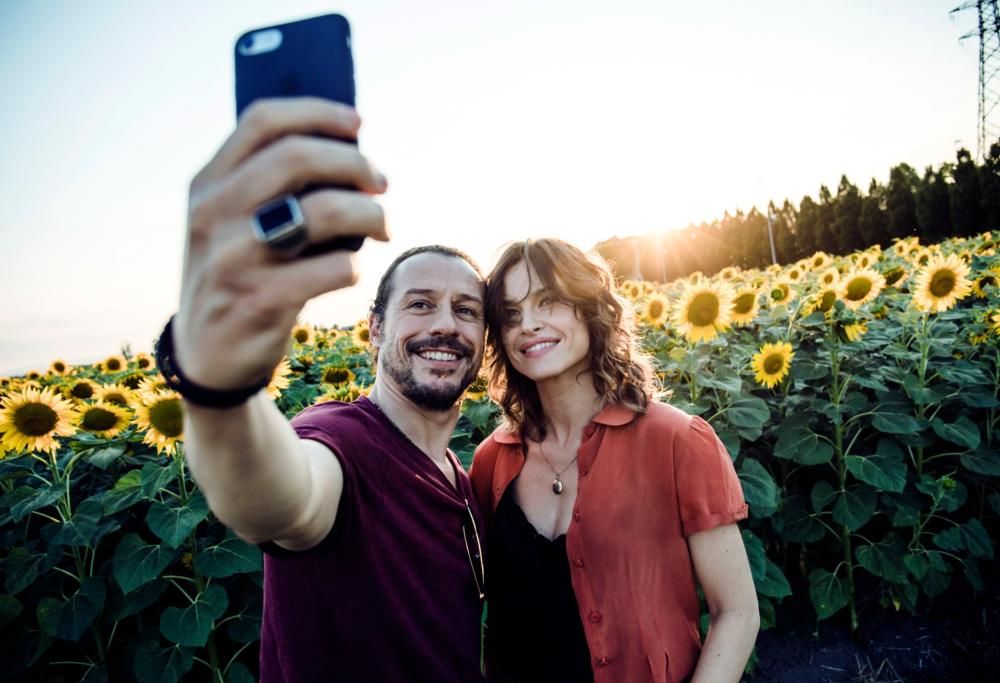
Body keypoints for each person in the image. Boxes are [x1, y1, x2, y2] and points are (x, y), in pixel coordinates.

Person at [161, 97, 486, 682]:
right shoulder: (341, 441)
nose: (446, 324)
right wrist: (221, 384)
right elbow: (282, 505)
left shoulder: (458, 475)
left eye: (466, 310)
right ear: (375, 328)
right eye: (420, 305)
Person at [469, 238, 759, 683]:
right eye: (510, 314)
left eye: (548, 301)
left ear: (589, 308)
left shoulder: (677, 441)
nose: (528, 324)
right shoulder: (492, 460)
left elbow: (736, 612)